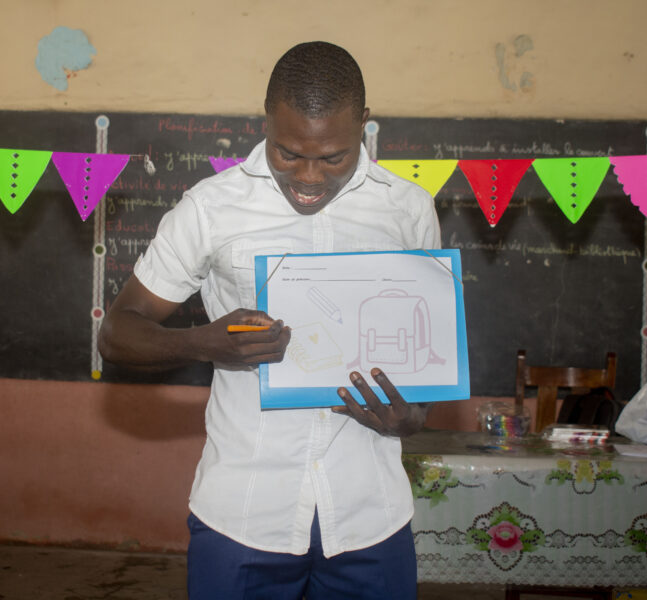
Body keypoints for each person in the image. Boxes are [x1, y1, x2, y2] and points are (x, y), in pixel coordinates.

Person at [99, 41, 440, 599]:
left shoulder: (407, 210)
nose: (309, 176)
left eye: (333, 157)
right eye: (287, 153)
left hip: (370, 514)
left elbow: (422, 363)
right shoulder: (211, 208)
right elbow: (117, 333)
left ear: (364, 127)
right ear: (265, 121)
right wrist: (206, 343)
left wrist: (409, 418)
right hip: (244, 514)